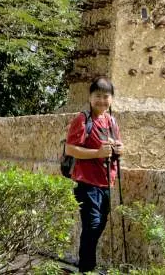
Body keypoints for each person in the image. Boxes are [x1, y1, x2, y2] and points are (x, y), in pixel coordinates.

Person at [65, 76, 123, 274]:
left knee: (100, 225)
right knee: (93, 225)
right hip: (86, 182)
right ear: (90, 98)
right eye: (97, 96)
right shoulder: (82, 119)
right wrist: (98, 153)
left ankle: (87, 266)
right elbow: (71, 149)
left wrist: (119, 150)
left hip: (107, 182)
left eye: (106, 96)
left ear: (112, 99)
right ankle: (87, 269)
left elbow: (116, 147)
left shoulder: (112, 121)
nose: (102, 100)